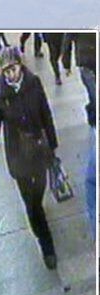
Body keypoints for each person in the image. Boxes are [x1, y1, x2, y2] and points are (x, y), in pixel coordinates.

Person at [0, 46, 59, 270]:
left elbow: (45, 112)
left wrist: (53, 142)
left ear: (21, 65)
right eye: (6, 71)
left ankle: (37, 216)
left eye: (13, 68)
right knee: (31, 203)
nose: (10, 74)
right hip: (18, 156)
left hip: (39, 149)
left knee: (39, 193)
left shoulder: (34, 83)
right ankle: (46, 246)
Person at [63, 32, 96, 239]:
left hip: (87, 60)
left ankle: (92, 113)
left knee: (94, 96)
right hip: (87, 61)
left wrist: (66, 62)